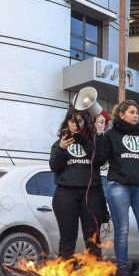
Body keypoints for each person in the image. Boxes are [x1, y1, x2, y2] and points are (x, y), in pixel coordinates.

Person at [99, 100, 139, 276]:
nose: (136, 115)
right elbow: (100, 160)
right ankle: (123, 274)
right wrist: (100, 134)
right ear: (122, 114)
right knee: (122, 230)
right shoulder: (110, 135)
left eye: (137, 112)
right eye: (132, 112)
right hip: (118, 186)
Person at [49, 106, 108, 260]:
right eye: (72, 120)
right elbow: (55, 167)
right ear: (66, 122)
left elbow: (100, 159)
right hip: (65, 194)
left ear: (85, 122)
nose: (75, 124)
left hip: (91, 194)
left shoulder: (92, 141)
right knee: (67, 239)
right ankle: (66, 275)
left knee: (93, 239)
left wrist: (94, 135)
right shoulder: (59, 143)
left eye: (79, 121)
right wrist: (61, 149)